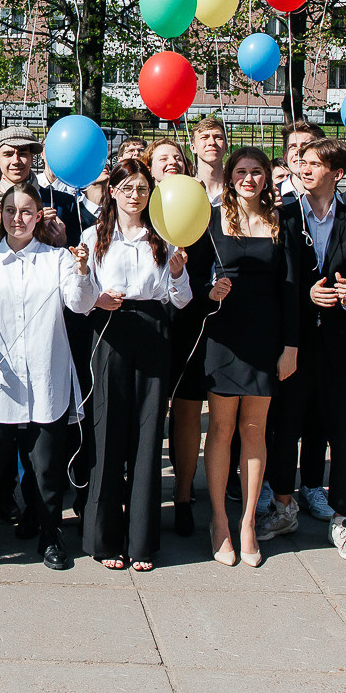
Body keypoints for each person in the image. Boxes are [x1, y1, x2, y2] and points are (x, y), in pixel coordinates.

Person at [0, 182, 97, 571]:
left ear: (39, 216)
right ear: (0, 215)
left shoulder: (57, 260)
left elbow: (80, 304)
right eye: (11, 211)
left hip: (47, 383)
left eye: (27, 211)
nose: (19, 218)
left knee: (47, 472)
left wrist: (83, 271)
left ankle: (51, 535)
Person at [81, 158, 191, 572]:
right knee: (107, 433)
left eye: (142, 188)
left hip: (153, 331)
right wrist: (95, 299)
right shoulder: (94, 236)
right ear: (112, 191)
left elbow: (181, 300)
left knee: (148, 436)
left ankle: (142, 541)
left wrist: (179, 274)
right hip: (110, 330)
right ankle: (105, 538)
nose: (134, 195)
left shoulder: (163, 236)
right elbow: (79, 293)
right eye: (126, 187)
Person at [276, 137, 346, 561]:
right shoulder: (283, 216)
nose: (305, 167)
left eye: (316, 163)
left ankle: (342, 518)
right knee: (286, 429)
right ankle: (282, 507)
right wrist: (306, 297)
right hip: (294, 344)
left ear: (338, 174)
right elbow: (275, 282)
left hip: (340, 345)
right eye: (303, 161)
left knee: (341, 430)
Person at [198, 147, 297, 567]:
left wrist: (290, 345)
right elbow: (195, 276)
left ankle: (248, 524)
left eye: (257, 171)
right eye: (241, 171)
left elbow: (291, 288)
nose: (249, 178)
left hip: (265, 338)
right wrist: (210, 290)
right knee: (221, 429)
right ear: (230, 175)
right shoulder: (212, 219)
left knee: (255, 429)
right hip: (225, 337)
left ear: (266, 178)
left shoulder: (281, 222)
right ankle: (219, 521)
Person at [148, 139, 210, 538]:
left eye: (176, 158)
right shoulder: (133, 209)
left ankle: (184, 495)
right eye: (161, 159)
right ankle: (145, 494)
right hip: (148, 326)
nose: (171, 163)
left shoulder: (202, 206)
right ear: (150, 169)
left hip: (190, 323)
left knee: (187, 413)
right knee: (148, 416)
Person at [279, 119, 325, 201]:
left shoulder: (336, 199)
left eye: (306, 146)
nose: (298, 151)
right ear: (285, 156)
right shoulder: (270, 197)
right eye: (292, 146)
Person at [190, 116, 228, 204]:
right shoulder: (186, 189)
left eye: (218, 137)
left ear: (226, 147)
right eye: (204, 137)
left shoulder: (237, 189)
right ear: (193, 148)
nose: (212, 142)